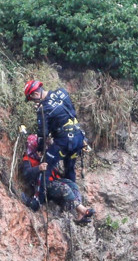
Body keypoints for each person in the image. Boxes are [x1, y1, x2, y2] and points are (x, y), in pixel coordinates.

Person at [24, 80, 92, 211]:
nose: (34, 103)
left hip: (64, 141)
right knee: (70, 168)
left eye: (32, 100)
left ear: (34, 95)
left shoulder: (43, 109)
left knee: (45, 166)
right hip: (78, 137)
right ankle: (76, 205)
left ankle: (36, 202)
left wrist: (39, 149)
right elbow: (71, 112)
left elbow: (43, 134)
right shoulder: (62, 92)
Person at [20, 134, 94, 224]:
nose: (41, 152)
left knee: (72, 184)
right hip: (44, 185)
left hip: (54, 180)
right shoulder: (27, 158)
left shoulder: (46, 155)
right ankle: (82, 209)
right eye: (39, 149)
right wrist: (38, 168)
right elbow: (26, 173)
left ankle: (80, 214)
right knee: (64, 188)